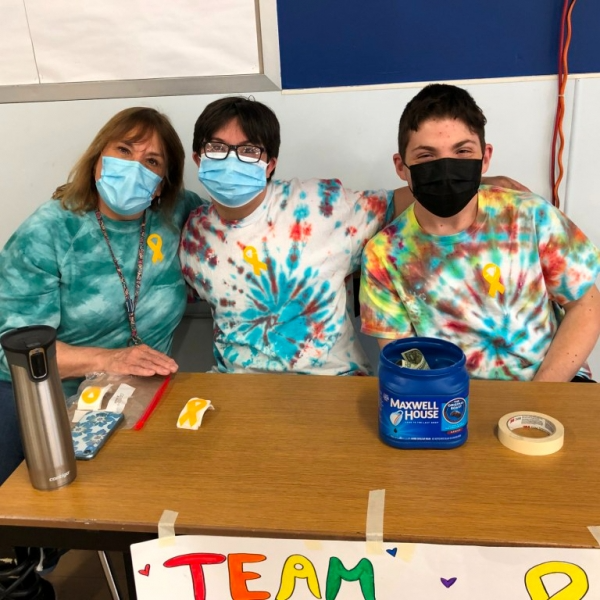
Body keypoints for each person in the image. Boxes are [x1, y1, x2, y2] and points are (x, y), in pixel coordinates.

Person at [180, 96, 527, 377]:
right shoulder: (191, 232)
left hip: (332, 385)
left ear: (270, 164)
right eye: (217, 148)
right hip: (233, 388)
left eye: (248, 151)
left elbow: (396, 202)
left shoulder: (319, 206)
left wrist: (473, 181)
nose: (231, 161)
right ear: (198, 158)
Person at [0, 107, 202, 486]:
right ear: (98, 161)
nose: (135, 166)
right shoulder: (48, 230)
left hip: (140, 394)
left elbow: (234, 223)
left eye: (152, 161)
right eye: (124, 150)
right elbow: (18, 349)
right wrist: (111, 359)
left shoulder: (175, 214)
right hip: (43, 397)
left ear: (160, 184)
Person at [359, 83, 600, 381]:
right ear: (401, 166)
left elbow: (585, 305)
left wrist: (540, 398)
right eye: (426, 156)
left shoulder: (531, 217)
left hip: (554, 384)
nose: (446, 168)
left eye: (462, 151)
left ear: (485, 158)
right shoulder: (383, 256)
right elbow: (405, 358)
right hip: (450, 402)